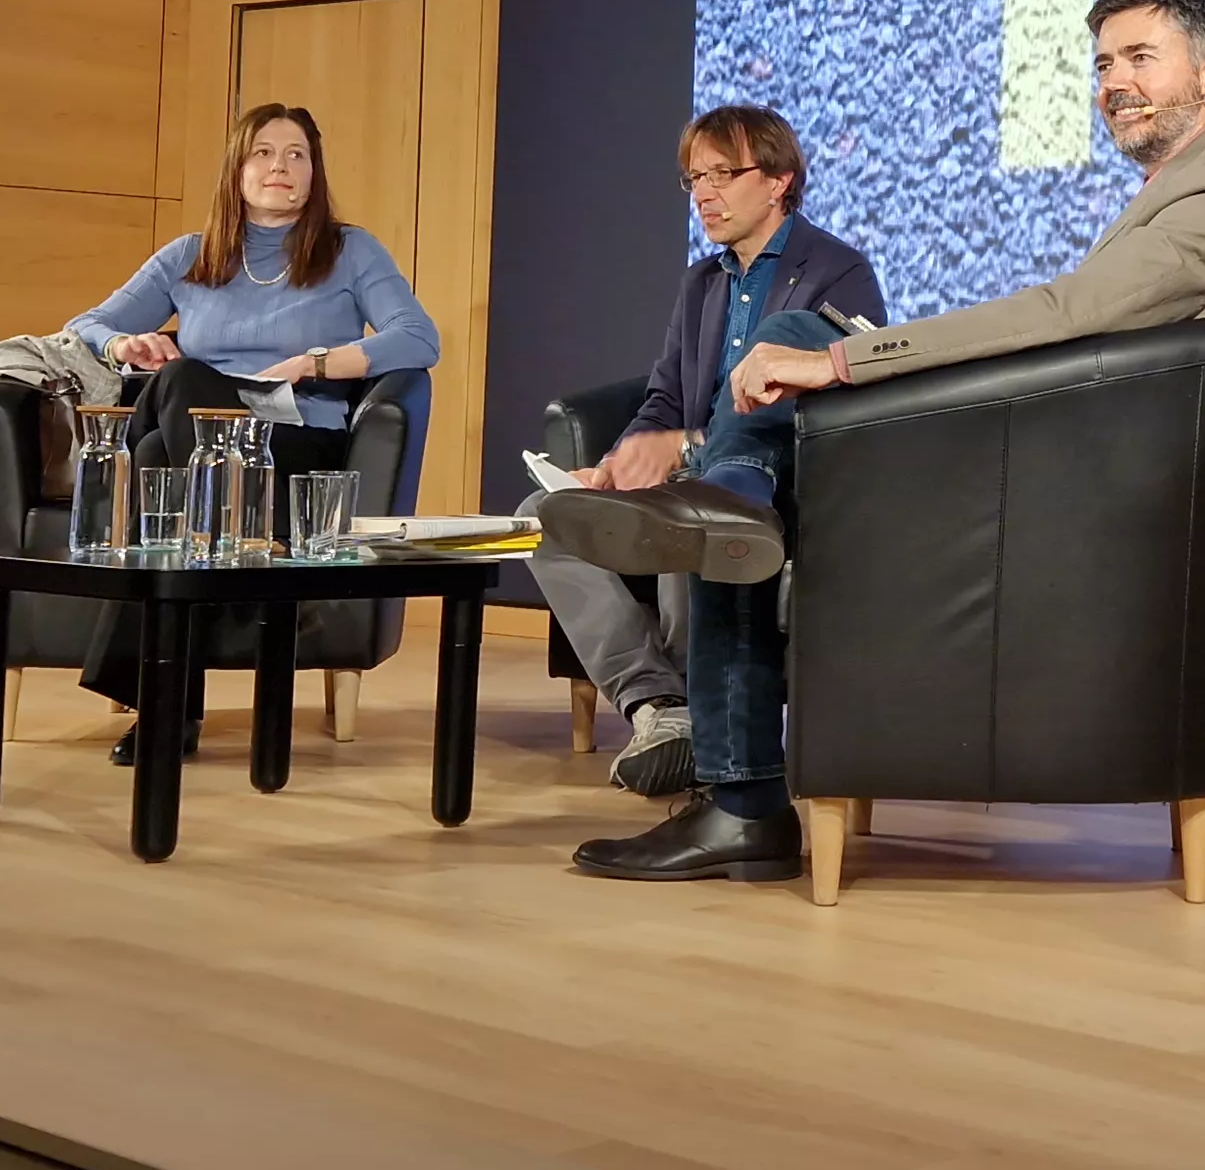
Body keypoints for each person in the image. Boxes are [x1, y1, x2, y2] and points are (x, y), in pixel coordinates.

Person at [538, 0, 1205, 881]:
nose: (1114, 82)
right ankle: (731, 505)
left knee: (792, 366)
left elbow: (1061, 314)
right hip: (1079, 479)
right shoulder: (1200, 184)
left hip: (1074, 506)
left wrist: (848, 362)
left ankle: (742, 799)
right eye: (1102, 63)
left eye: (1139, 58)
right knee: (752, 486)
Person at [528, 104, 885, 798]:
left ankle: (692, 719)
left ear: (779, 180)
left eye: (724, 174)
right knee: (548, 511)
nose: (704, 194)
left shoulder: (837, 270)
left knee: (686, 508)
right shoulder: (702, 282)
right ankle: (659, 708)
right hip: (691, 468)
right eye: (694, 178)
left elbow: (842, 399)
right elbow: (664, 397)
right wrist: (622, 459)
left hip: (779, 477)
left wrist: (682, 448)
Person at [66, 102, 439, 762]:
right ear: (237, 169)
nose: (280, 167)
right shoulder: (191, 256)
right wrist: (130, 343)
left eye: (297, 154)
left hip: (295, 440)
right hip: (209, 444)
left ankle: (167, 707)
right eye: (264, 153)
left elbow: (418, 338)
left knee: (162, 433)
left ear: (314, 172)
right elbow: (87, 324)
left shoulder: (350, 252)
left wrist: (314, 363)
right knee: (170, 419)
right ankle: (229, 569)